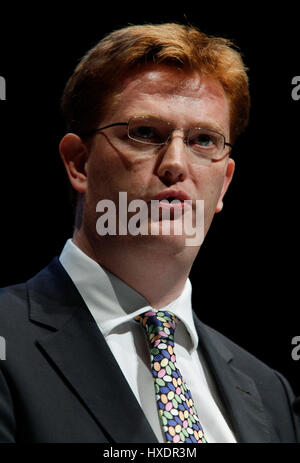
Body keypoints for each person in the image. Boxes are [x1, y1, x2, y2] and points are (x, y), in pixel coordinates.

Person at [0, 22, 299, 444]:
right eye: (145, 133)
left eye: (204, 140)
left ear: (224, 183)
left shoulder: (270, 393)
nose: (176, 163)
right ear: (79, 163)